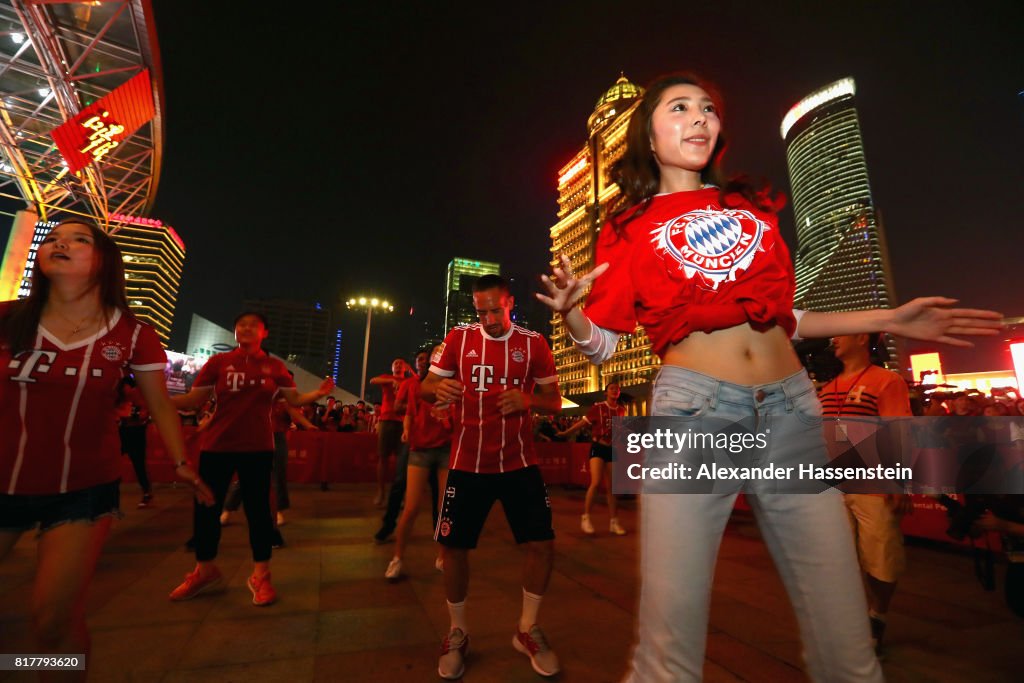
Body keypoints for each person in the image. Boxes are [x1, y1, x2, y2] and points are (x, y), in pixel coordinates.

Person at [536, 72, 1003, 682]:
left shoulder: (748, 209)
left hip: (792, 411)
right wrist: (572, 311)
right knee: (668, 653)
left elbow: (788, 315)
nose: (701, 116)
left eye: (708, 108)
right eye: (680, 108)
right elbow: (601, 347)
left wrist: (892, 315)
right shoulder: (629, 228)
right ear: (649, 136)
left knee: (849, 648)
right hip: (697, 415)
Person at [0, 218, 212, 677]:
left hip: (82, 490)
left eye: (79, 240)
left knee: (51, 623)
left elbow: (160, 404)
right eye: (55, 238)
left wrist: (181, 463)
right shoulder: (7, 317)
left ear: (104, 263)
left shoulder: (133, 333)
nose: (61, 243)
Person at [422, 274, 563, 679]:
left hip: (520, 462)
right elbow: (427, 387)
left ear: (510, 303)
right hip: (468, 463)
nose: (487, 318)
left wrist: (529, 399)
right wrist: (439, 392)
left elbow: (555, 400)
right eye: (480, 311)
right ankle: (458, 632)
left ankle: (527, 629)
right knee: (453, 550)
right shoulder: (459, 339)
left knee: (541, 544)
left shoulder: (534, 343)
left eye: (494, 310)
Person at [168, 312, 333, 606]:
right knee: (206, 509)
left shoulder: (274, 366)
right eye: (240, 325)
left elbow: (293, 401)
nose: (244, 328)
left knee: (258, 512)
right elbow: (194, 400)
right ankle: (205, 570)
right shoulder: (217, 363)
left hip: (258, 448)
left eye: (252, 325)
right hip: (216, 446)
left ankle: (261, 575)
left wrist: (318, 394)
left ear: (264, 333)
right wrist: (157, 399)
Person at [817, 333, 913, 652]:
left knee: (881, 557)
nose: (834, 341)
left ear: (860, 338)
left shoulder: (886, 380)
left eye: (840, 335)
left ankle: (878, 615)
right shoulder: (827, 389)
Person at [385, 346, 452, 580]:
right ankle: (397, 558)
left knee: (445, 508)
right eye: (432, 355)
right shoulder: (415, 385)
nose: (435, 358)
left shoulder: (452, 384)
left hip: (446, 450)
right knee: (411, 507)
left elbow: (459, 416)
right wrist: (406, 431)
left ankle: (443, 556)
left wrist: (448, 421)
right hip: (420, 450)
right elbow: (409, 413)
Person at [557, 382, 628, 535]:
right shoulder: (598, 408)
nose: (615, 391)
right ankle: (586, 517)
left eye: (617, 389)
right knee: (595, 482)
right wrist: (566, 433)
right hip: (598, 447)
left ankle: (614, 522)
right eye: (611, 389)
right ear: (606, 392)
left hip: (612, 449)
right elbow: (583, 423)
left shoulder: (622, 411)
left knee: (613, 488)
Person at [370, 359, 412, 508]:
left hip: (403, 422)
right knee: (383, 457)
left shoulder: (409, 381)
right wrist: (392, 380)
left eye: (401, 363)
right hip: (386, 420)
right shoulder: (386, 378)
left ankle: (400, 495)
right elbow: (373, 380)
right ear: (391, 367)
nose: (398, 365)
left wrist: (409, 373)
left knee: (403, 461)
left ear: (405, 366)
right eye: (395, 363)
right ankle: (381, 492)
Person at [117, 373, 154, 508]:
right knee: (111, 462)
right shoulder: (118, 398)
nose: (125, 391)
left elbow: (145, 414)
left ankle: (146, 492)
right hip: (122, 432)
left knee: (139, 465)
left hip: (136, 433)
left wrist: (132, 414)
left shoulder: (139, 395)